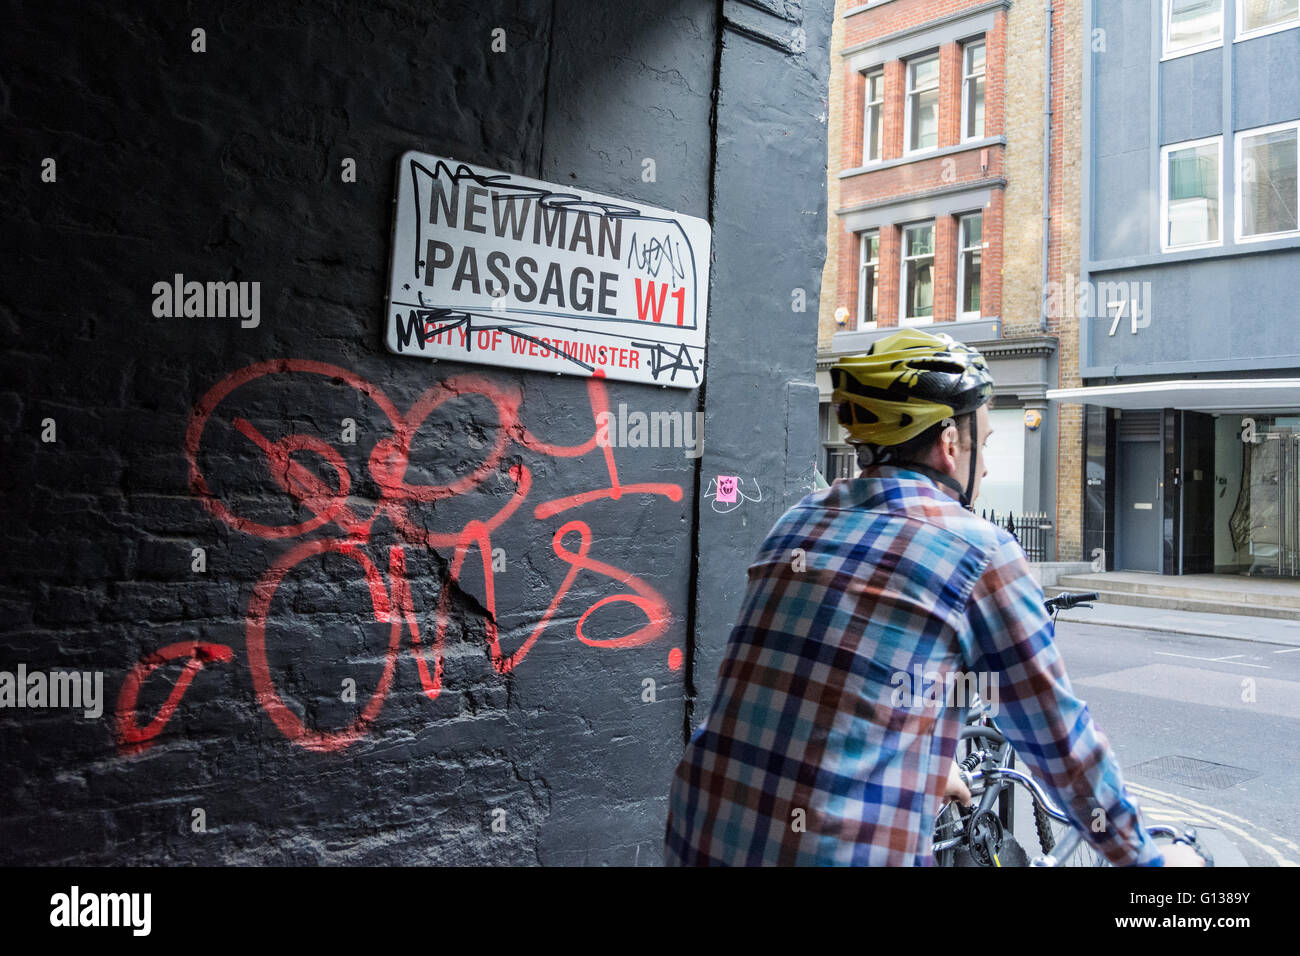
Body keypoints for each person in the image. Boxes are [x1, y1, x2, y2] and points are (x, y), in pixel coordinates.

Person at [664, 328, 1203, 866]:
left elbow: (800, 691)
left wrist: (913, 758)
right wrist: (1148, 861)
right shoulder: (977, 549)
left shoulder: (797, 522)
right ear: (950, 443)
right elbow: (1061, 741)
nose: (986, 466)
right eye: (984, 443)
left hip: (699, 830)